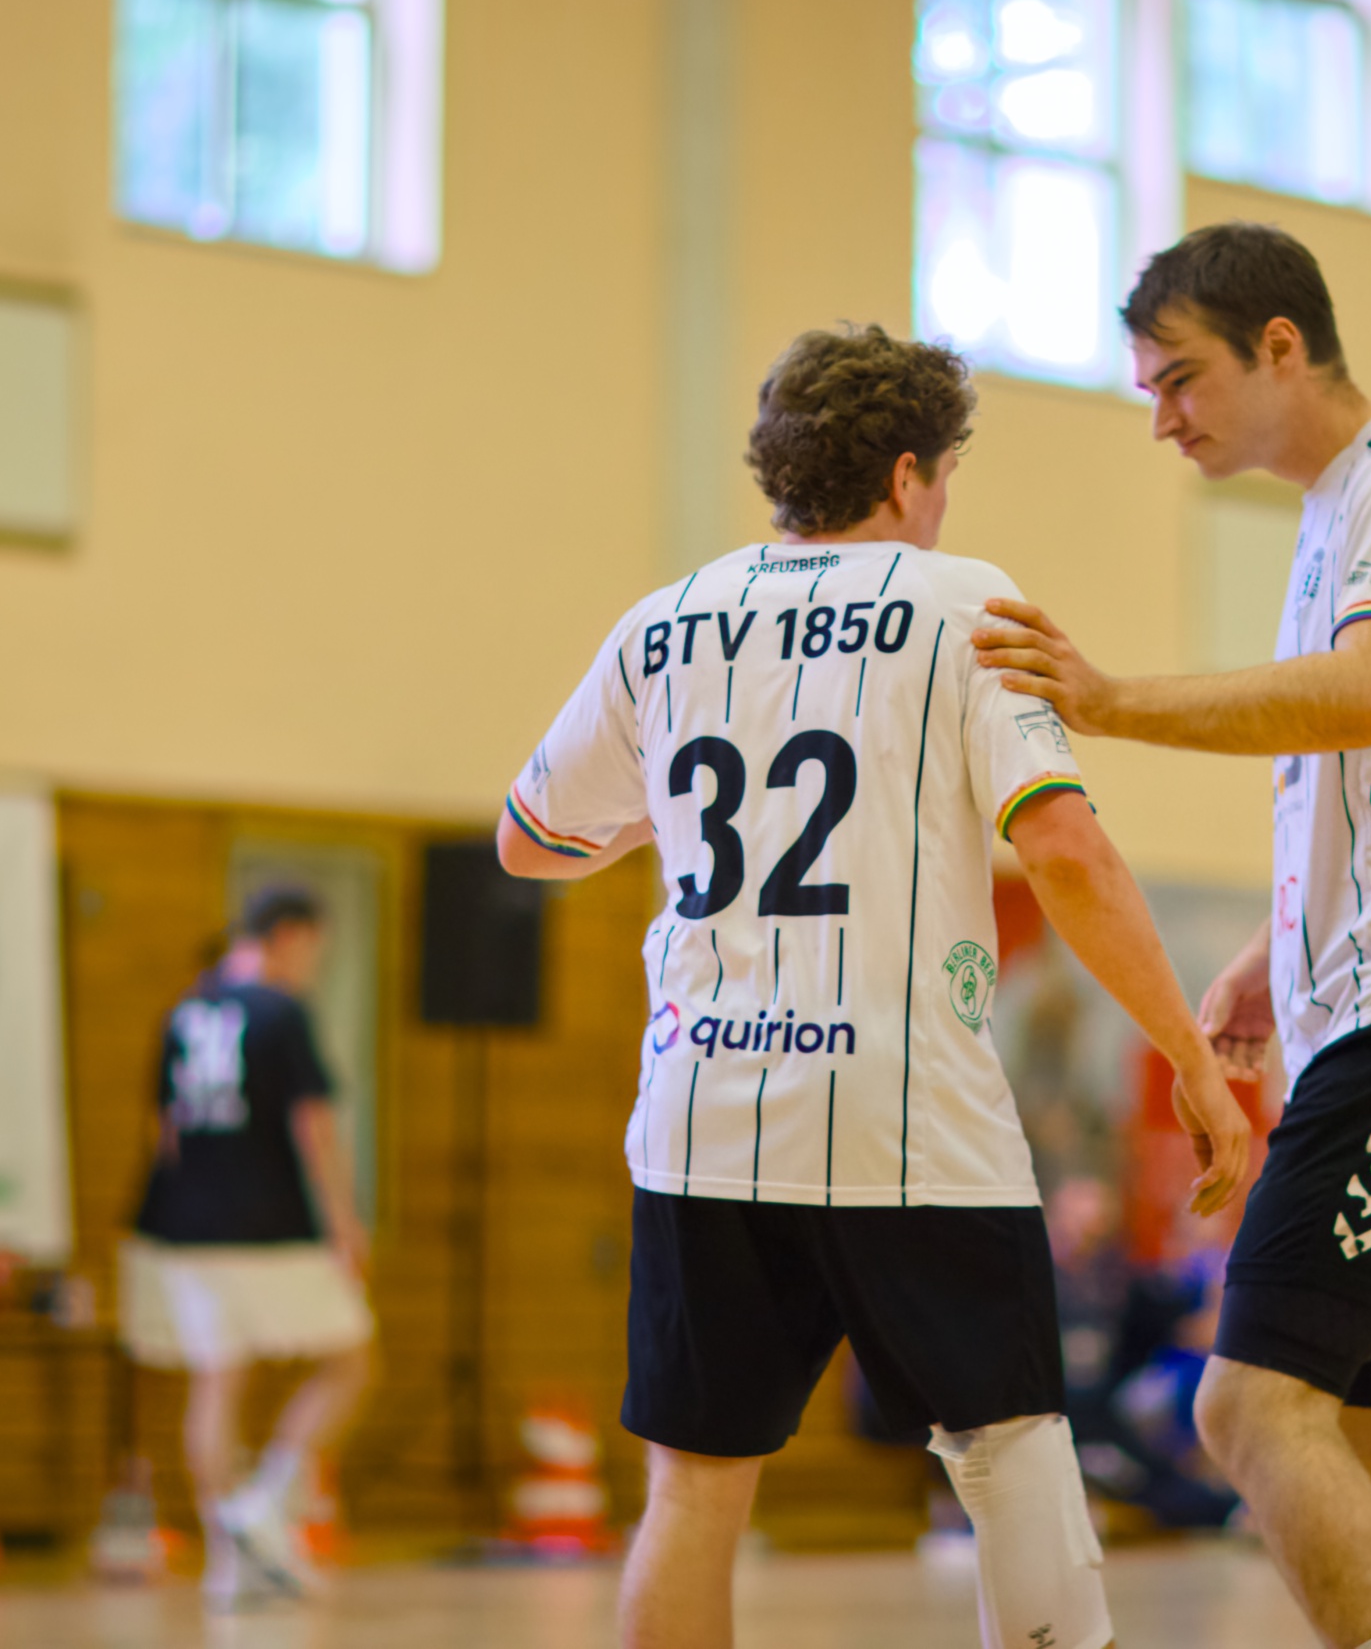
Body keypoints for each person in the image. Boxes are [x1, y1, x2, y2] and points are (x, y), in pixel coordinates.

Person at [494, 324, 1250, 1649]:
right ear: (908, 474)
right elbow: (1064, 850)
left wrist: (662, 813)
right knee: (1010, 1455)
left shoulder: (664, 624)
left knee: (695, 1487)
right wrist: (1191, 1056)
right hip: (906, 1118)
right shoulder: (961, 603)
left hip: (703, 1115)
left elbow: (527, 839)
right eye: (945, 474)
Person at [974, 222, 1371, 1649]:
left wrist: (1111, 701)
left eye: (1180, 378)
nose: (1161, 418)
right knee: (1356, 1427)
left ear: (1279, 347)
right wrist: (1274, 953)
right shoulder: (1336, 511)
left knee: (1244, 1405)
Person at [121, 885, 375, 1611]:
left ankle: (232, 1561)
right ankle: (266, 1504)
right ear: (290, 935)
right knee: (353, 1360)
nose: (312, 966)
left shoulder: (183, 1011)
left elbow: (164, 1132)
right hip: (267, 1224)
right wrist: (342, 1220)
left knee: (217, 1380)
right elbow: (312, 1124)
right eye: (315, 950)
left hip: (182, 1226)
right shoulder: (279, 1010)